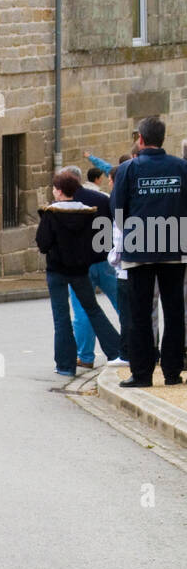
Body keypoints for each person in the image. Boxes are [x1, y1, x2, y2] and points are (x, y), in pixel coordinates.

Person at [110, 115, 187, 388]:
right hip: (175, 247)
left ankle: (142, 374)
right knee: (174, 311)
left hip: (139, 248)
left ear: (140, 139)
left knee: (140, 314)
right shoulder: (181, 167)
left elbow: (118, 210)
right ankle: (172, 371)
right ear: (162, 138)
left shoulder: (129, 169)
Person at [35, 170, 121, 377]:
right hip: (80, 269)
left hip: (57, 270)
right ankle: (116, 350)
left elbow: (43, 243)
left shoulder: (50, 214)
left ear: (59, 191)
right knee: (93, 310)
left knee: (61, 317)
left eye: (55, 189)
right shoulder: (87, 213)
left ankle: (65, 365)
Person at [60, 164, 121, 368]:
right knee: (122, 304)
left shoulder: (64, 205)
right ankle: (133, 346)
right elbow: (114, 226)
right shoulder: (101, 199)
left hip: (79, 266)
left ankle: (85, 356)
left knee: (82, 311)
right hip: (103, 260)